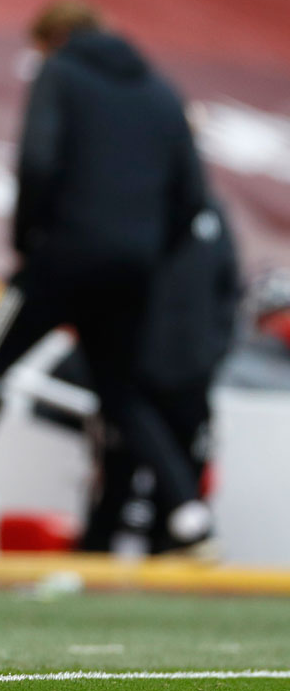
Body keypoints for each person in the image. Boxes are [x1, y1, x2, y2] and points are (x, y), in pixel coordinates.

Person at [0, 0, 212, 550]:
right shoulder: (164, 95)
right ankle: (188, 510)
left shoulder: (61, 73)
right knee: (122, 393)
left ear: (53, 40)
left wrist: (30, 242)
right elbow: (191, 198)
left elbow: (38, 163)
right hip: (131, 274)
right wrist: (146, 252)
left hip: (58, 260)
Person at [78, 193, 240, 553]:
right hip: (131, 369)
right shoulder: (127, 207)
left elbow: (228, 288)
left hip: (190, 375)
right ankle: (103, 553)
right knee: (118, 480)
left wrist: (210, 354)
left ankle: (178, 529)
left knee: (180, 466)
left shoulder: (209, 213)